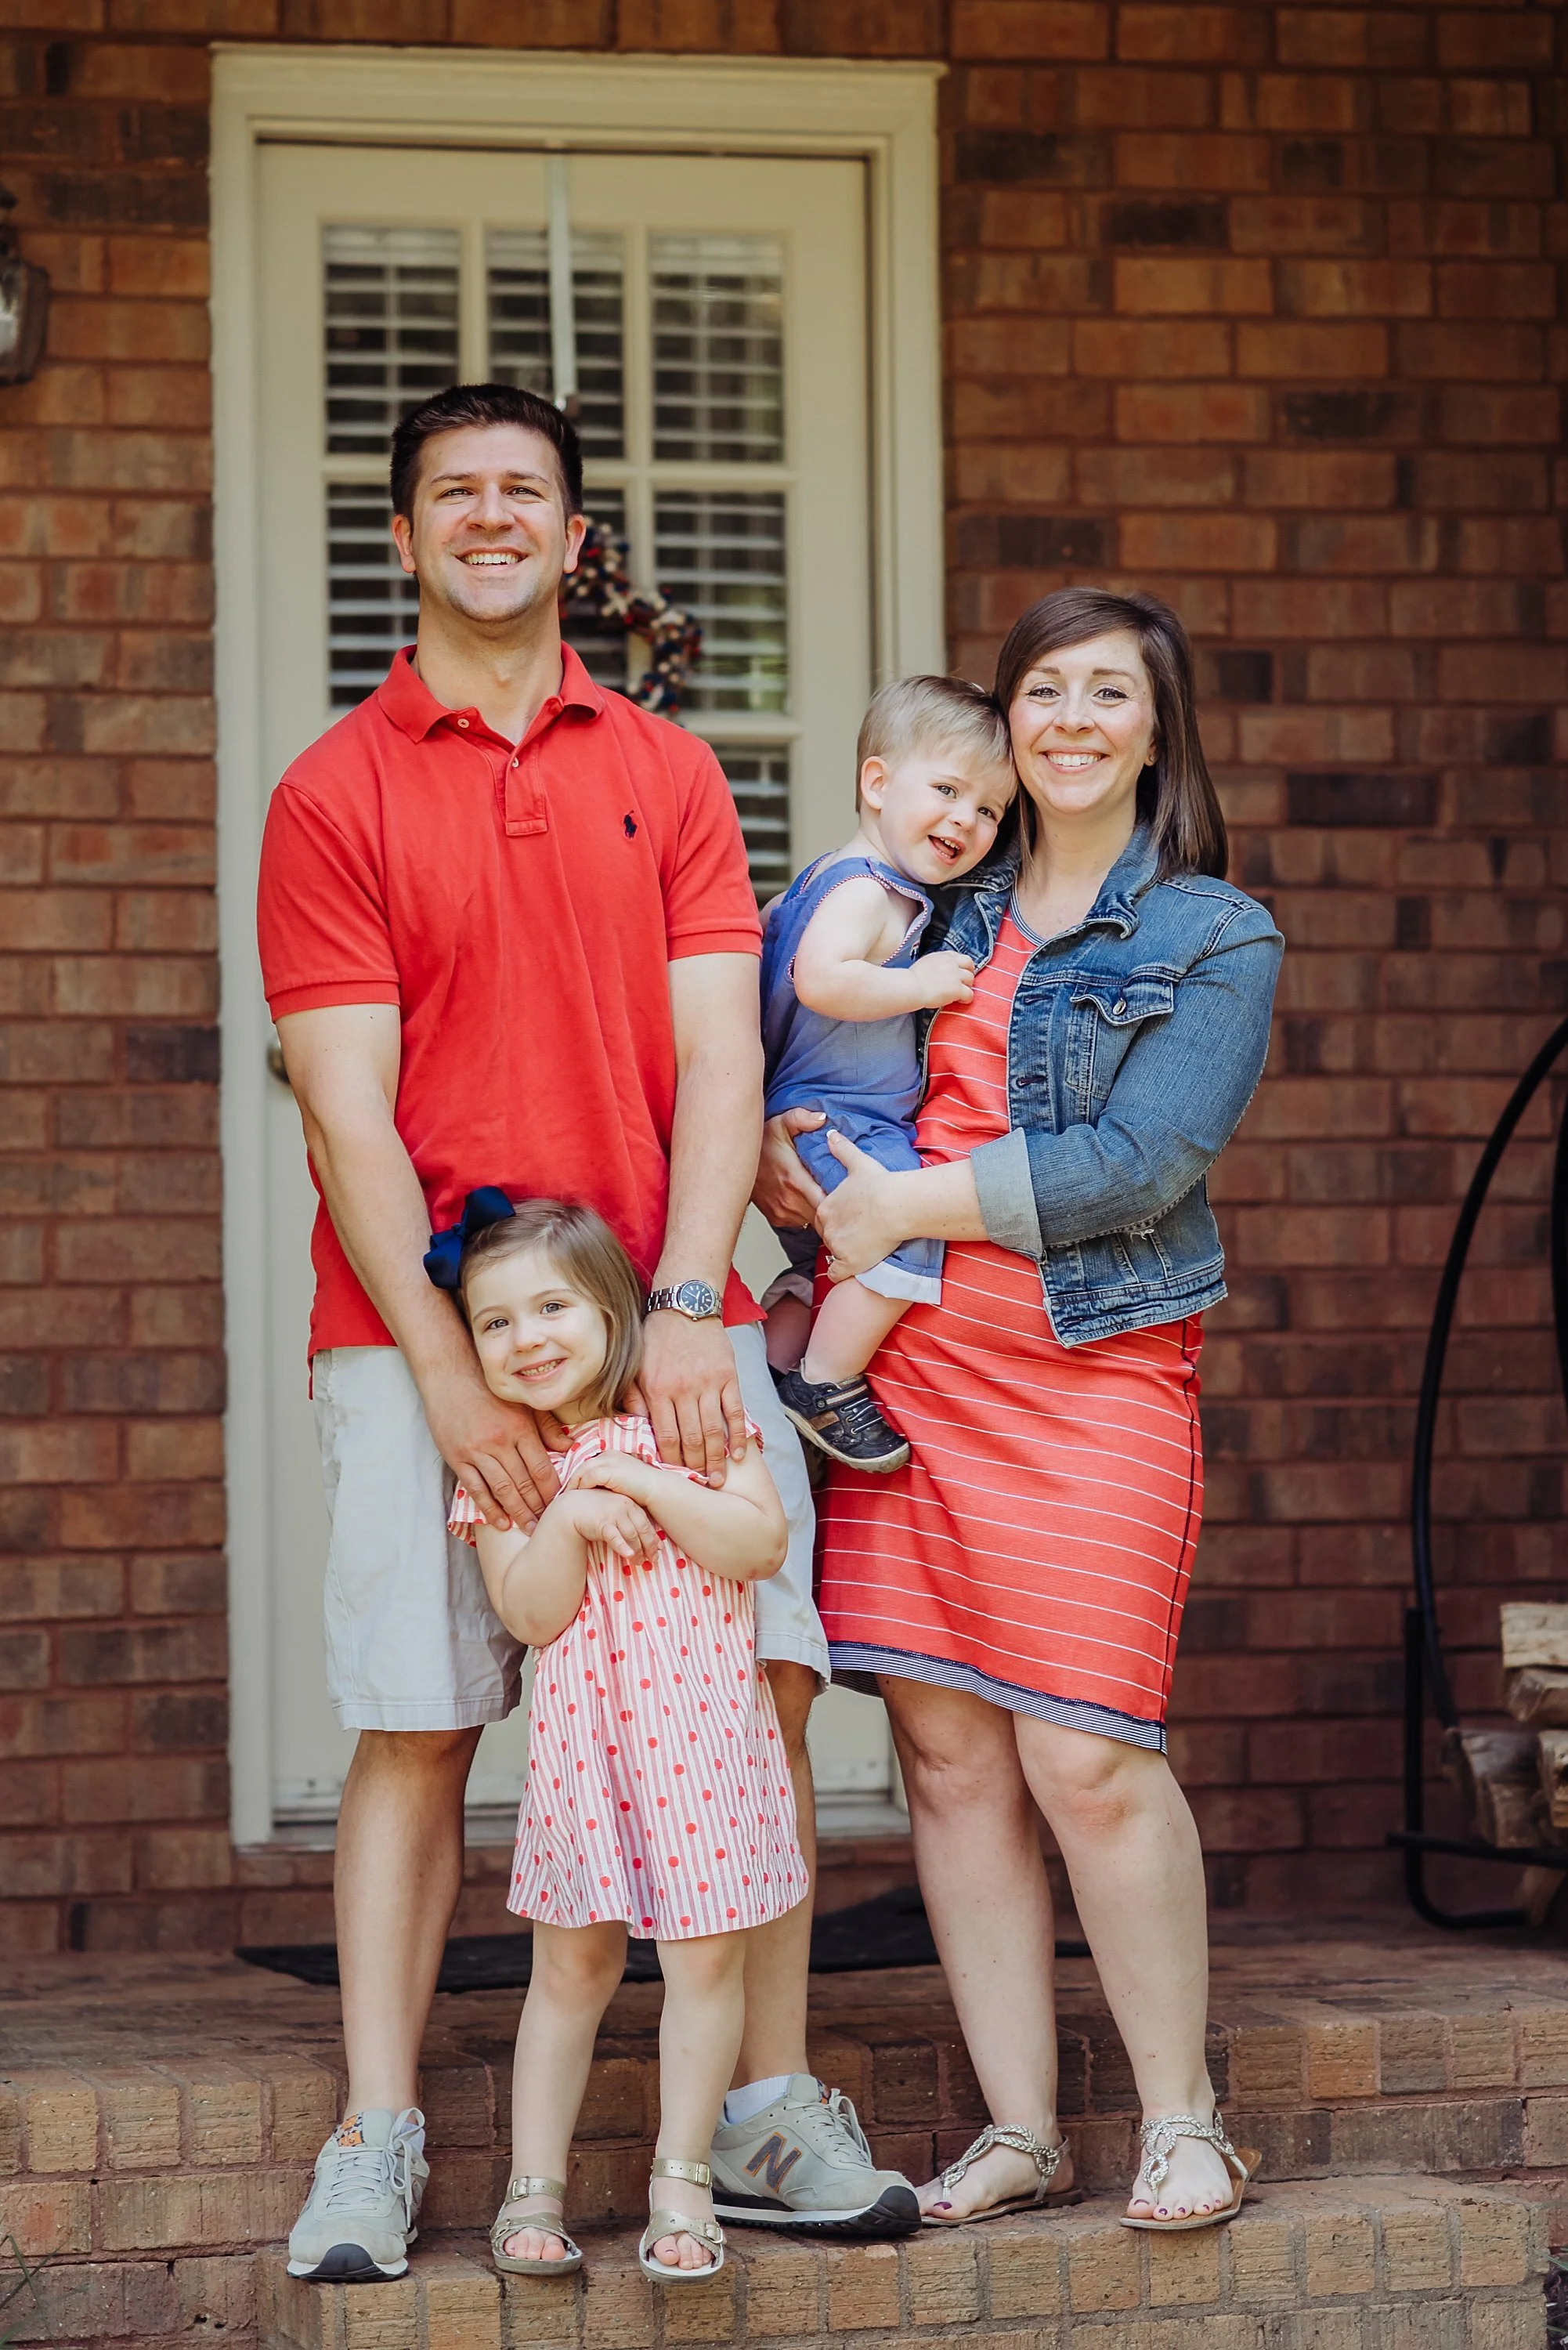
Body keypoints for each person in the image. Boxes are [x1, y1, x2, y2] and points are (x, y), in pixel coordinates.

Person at [258, 381, 916, 2287]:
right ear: (402, 538)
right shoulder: (336, 790)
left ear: (572, 536)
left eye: (521, 493)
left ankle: (764, 2105)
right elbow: (341, 1106)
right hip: (417, 1332)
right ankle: (379, 2135)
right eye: (451, 493)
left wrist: (699, 1297)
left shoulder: (669, 768)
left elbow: (722, 1051)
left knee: (764, 1687)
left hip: (668, 1316)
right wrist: (456, 1374)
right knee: (417, 1712)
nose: (487, 516)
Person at [755, 588, 1284, 2234]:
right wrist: (781, 1163)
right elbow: (813, 1052)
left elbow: (1139, 1164)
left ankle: (1181, 2119)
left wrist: (900, 1208)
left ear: (1153, 726)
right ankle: (1016, 2127)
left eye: (1103, 693)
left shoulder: (1212, 932)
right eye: (1039, 690)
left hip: (1091, 1364)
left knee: (1086, 1751)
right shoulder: (937, 895)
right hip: (907, 1360)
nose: (1063, 720)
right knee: (946, 1753)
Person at [437, 1196, 803, 2283]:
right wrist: (564, 1518)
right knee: (573, 1965)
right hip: (586, 1760)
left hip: (703, 1746)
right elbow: (531, 1614)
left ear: (610, 1311)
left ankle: (683, 2183)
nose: (525, 1338)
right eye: (494, 1324)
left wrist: (640, 1481)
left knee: (703, 1963)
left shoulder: (690, 1421)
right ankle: (532, 2189)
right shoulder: (507, 1472)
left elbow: (757, 1539)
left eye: (550, 1306)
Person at [759, 677, 1016, 1473]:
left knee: (821, 1270)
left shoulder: (815, 881)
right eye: (946, 789)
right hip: (844, 1124)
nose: (966, 820)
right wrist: (920, 984)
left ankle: (766, 1368)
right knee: (904, 1240)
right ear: (876, 783)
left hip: (801, 1125)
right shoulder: (869, 892)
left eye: (989, 810)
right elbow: (820, 980)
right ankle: (826, 1385)